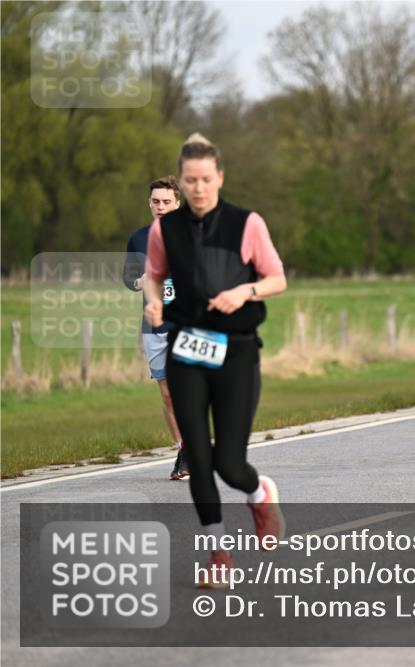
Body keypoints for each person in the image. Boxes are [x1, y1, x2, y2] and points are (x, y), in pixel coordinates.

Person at [144, 133, 287, 587]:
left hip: (237, 350)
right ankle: (219, 555)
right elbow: (153, 275)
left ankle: (259, 493)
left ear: (220, 178)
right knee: (198, 458)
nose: (199, 188)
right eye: (191, 181)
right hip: (186, 348)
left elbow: (276, 279)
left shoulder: (248, 224)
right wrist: (153, 302)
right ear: (182, 183)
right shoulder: (164, 229)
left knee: (228, 462)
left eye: (206, 179)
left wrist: (243, 290)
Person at [123, 176, 187, 480]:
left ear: (177, 204)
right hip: (154, 326)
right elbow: (128, 277)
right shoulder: (138, 238)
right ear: (149, 203)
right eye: (155, 202)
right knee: (168, 395)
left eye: (166, 202)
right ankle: (183, 449)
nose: (161, 207)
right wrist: (140, 282)